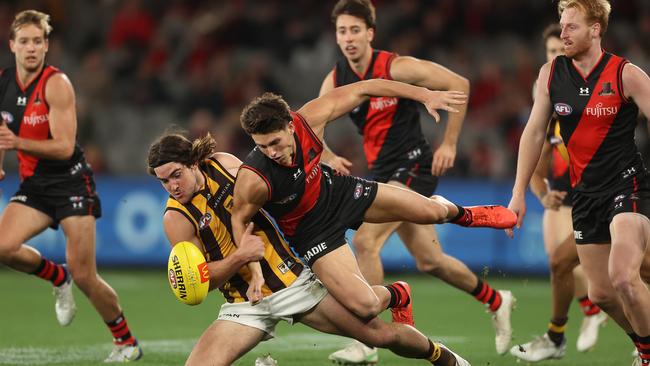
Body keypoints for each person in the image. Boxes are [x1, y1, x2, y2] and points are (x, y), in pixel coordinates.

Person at [233, 76, 516, 354]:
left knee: (431, 211)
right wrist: (255, 273)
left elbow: (366, 88)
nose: (272, 152)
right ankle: (399, 294)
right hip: (312, 233)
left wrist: (424, 95)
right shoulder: (254, 178)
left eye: (275, 142)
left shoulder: (310, 118)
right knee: (365, 307)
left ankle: (469, 215)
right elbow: (239, 220)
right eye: (262, 146)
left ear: (290, 126)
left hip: (339, 193)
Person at [147, 133, 471, 366]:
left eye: (176, 175)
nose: (173, 186)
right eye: (164, 182)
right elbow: (205, 280)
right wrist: (239, 259)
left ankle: (442, 357)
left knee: (379, 335)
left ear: (194, 163)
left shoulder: (226, 166)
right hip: (244, 306)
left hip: (294, 283)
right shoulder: (176, 218)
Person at [320, 1, 515, 360]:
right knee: (430, 261)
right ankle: (497, 300)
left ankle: (368, 340)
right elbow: (313, 126)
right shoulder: (336, 79)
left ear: (370, 33)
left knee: (365, 243)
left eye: (355, 30)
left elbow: (459, 83)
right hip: (383, 173)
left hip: (413, 166)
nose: (348, 38)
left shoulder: (396, 66)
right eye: (342, 31)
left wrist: (451, 142)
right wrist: (328, 155)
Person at [507, 1, 650, 365]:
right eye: (561, 24)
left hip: (627, 187)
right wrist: (519, 192)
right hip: (585, 196)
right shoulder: (551, 74)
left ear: (596, 29)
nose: (563, 32)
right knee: (601, 294)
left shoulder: (625, 74)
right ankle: (646, 346)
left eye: (571, 26)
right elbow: (534, 132)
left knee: (623, 276)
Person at [0, 10, 141, 362]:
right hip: (35, 184)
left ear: (46, 46)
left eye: (38, 41)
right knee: (2, 247)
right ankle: (55, 276)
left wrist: (16, 144)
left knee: (85, 274)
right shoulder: (3, 84)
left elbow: (64, 146)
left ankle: (126, 342)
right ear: (12, 45)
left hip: (70, 180)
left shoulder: (57, 84)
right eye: (25, 41)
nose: (31, 48)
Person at [509, 24, 607, 362]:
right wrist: (537, 194)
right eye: (549, 52)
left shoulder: (601, 86)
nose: (555, 56)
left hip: (611, 192)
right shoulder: (549, 109)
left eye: (558, 50)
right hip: (567, 197)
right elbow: (537, 166)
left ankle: (598, 316)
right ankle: (581, 319)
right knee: (562, 261)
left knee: (614, 275)